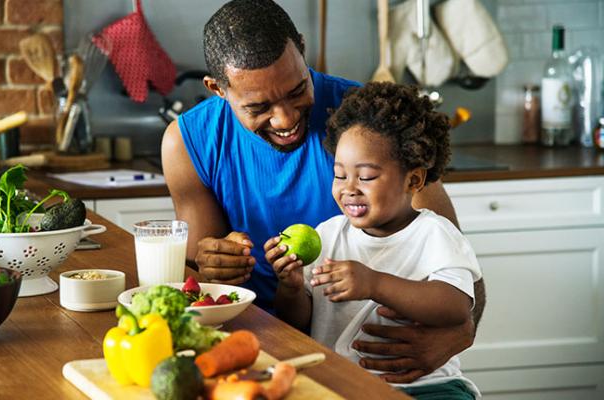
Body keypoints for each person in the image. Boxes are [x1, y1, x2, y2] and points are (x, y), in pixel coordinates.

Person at [161, 0, 486, 384]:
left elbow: (461, 272)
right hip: (247, 348)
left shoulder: (368, 124)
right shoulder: (188, 142)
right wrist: (210, 260)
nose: (286, 119)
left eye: (298, 89)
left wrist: (458, 335)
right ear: (218, 89)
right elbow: (200, 284)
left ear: (302, 48)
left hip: (373, 364)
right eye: (259, 106)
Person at [265, 82, 482, 399]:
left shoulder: (433, 234)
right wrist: (292, 287)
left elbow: (456, 307)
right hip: (341, 386)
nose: (349, 188)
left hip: (426, 388)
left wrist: (374, 284)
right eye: (340, 174)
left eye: (365, 177)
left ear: (413, 179)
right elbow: (298, 321)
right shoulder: (328, 235)